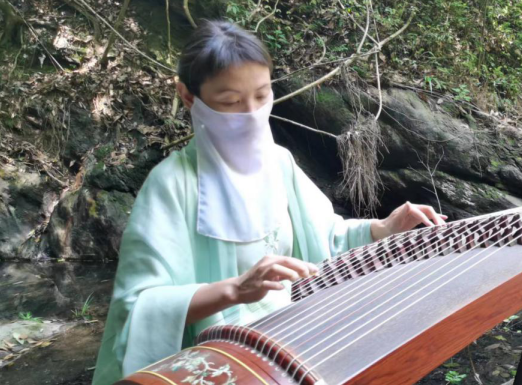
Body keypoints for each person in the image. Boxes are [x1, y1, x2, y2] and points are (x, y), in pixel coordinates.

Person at [92, 20, 446, 384]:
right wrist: (234, 290)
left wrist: (383, 228)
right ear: (188, 96)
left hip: (288, 345)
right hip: (219, 360)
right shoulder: (171, 185)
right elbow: (138, 306)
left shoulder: (279, 163)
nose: (251, 113)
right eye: (230, 102)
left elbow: (325, 239)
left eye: (261, 96)